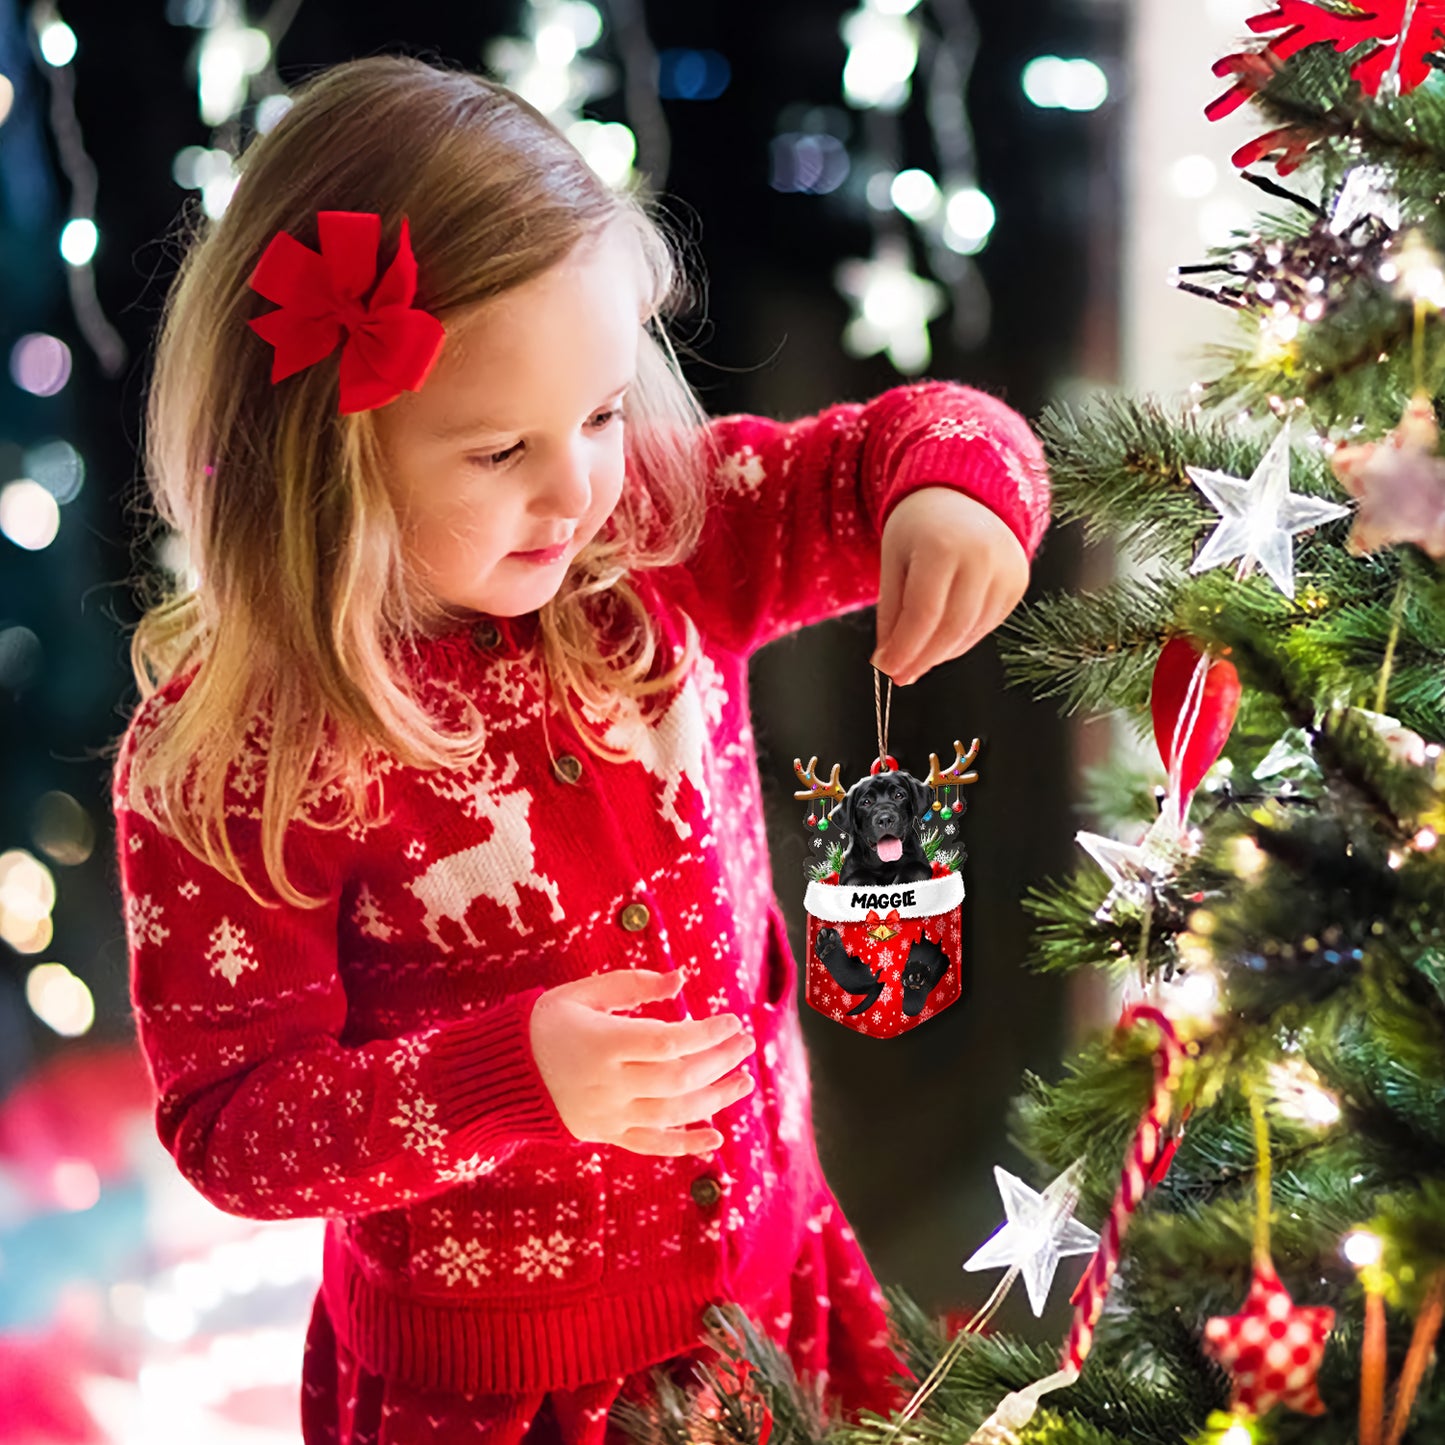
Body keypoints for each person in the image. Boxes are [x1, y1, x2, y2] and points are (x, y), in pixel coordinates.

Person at [110, 54, 1051, 1445]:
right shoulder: (235, 754)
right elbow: (234, 1127)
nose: (577, 487)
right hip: (502, 1389)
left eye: (604, 412)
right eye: (499, 452)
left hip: (767, 1285)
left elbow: (900, 445)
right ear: (321, 455)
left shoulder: (659, 542)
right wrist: (508, 1076)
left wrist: (956, 496)